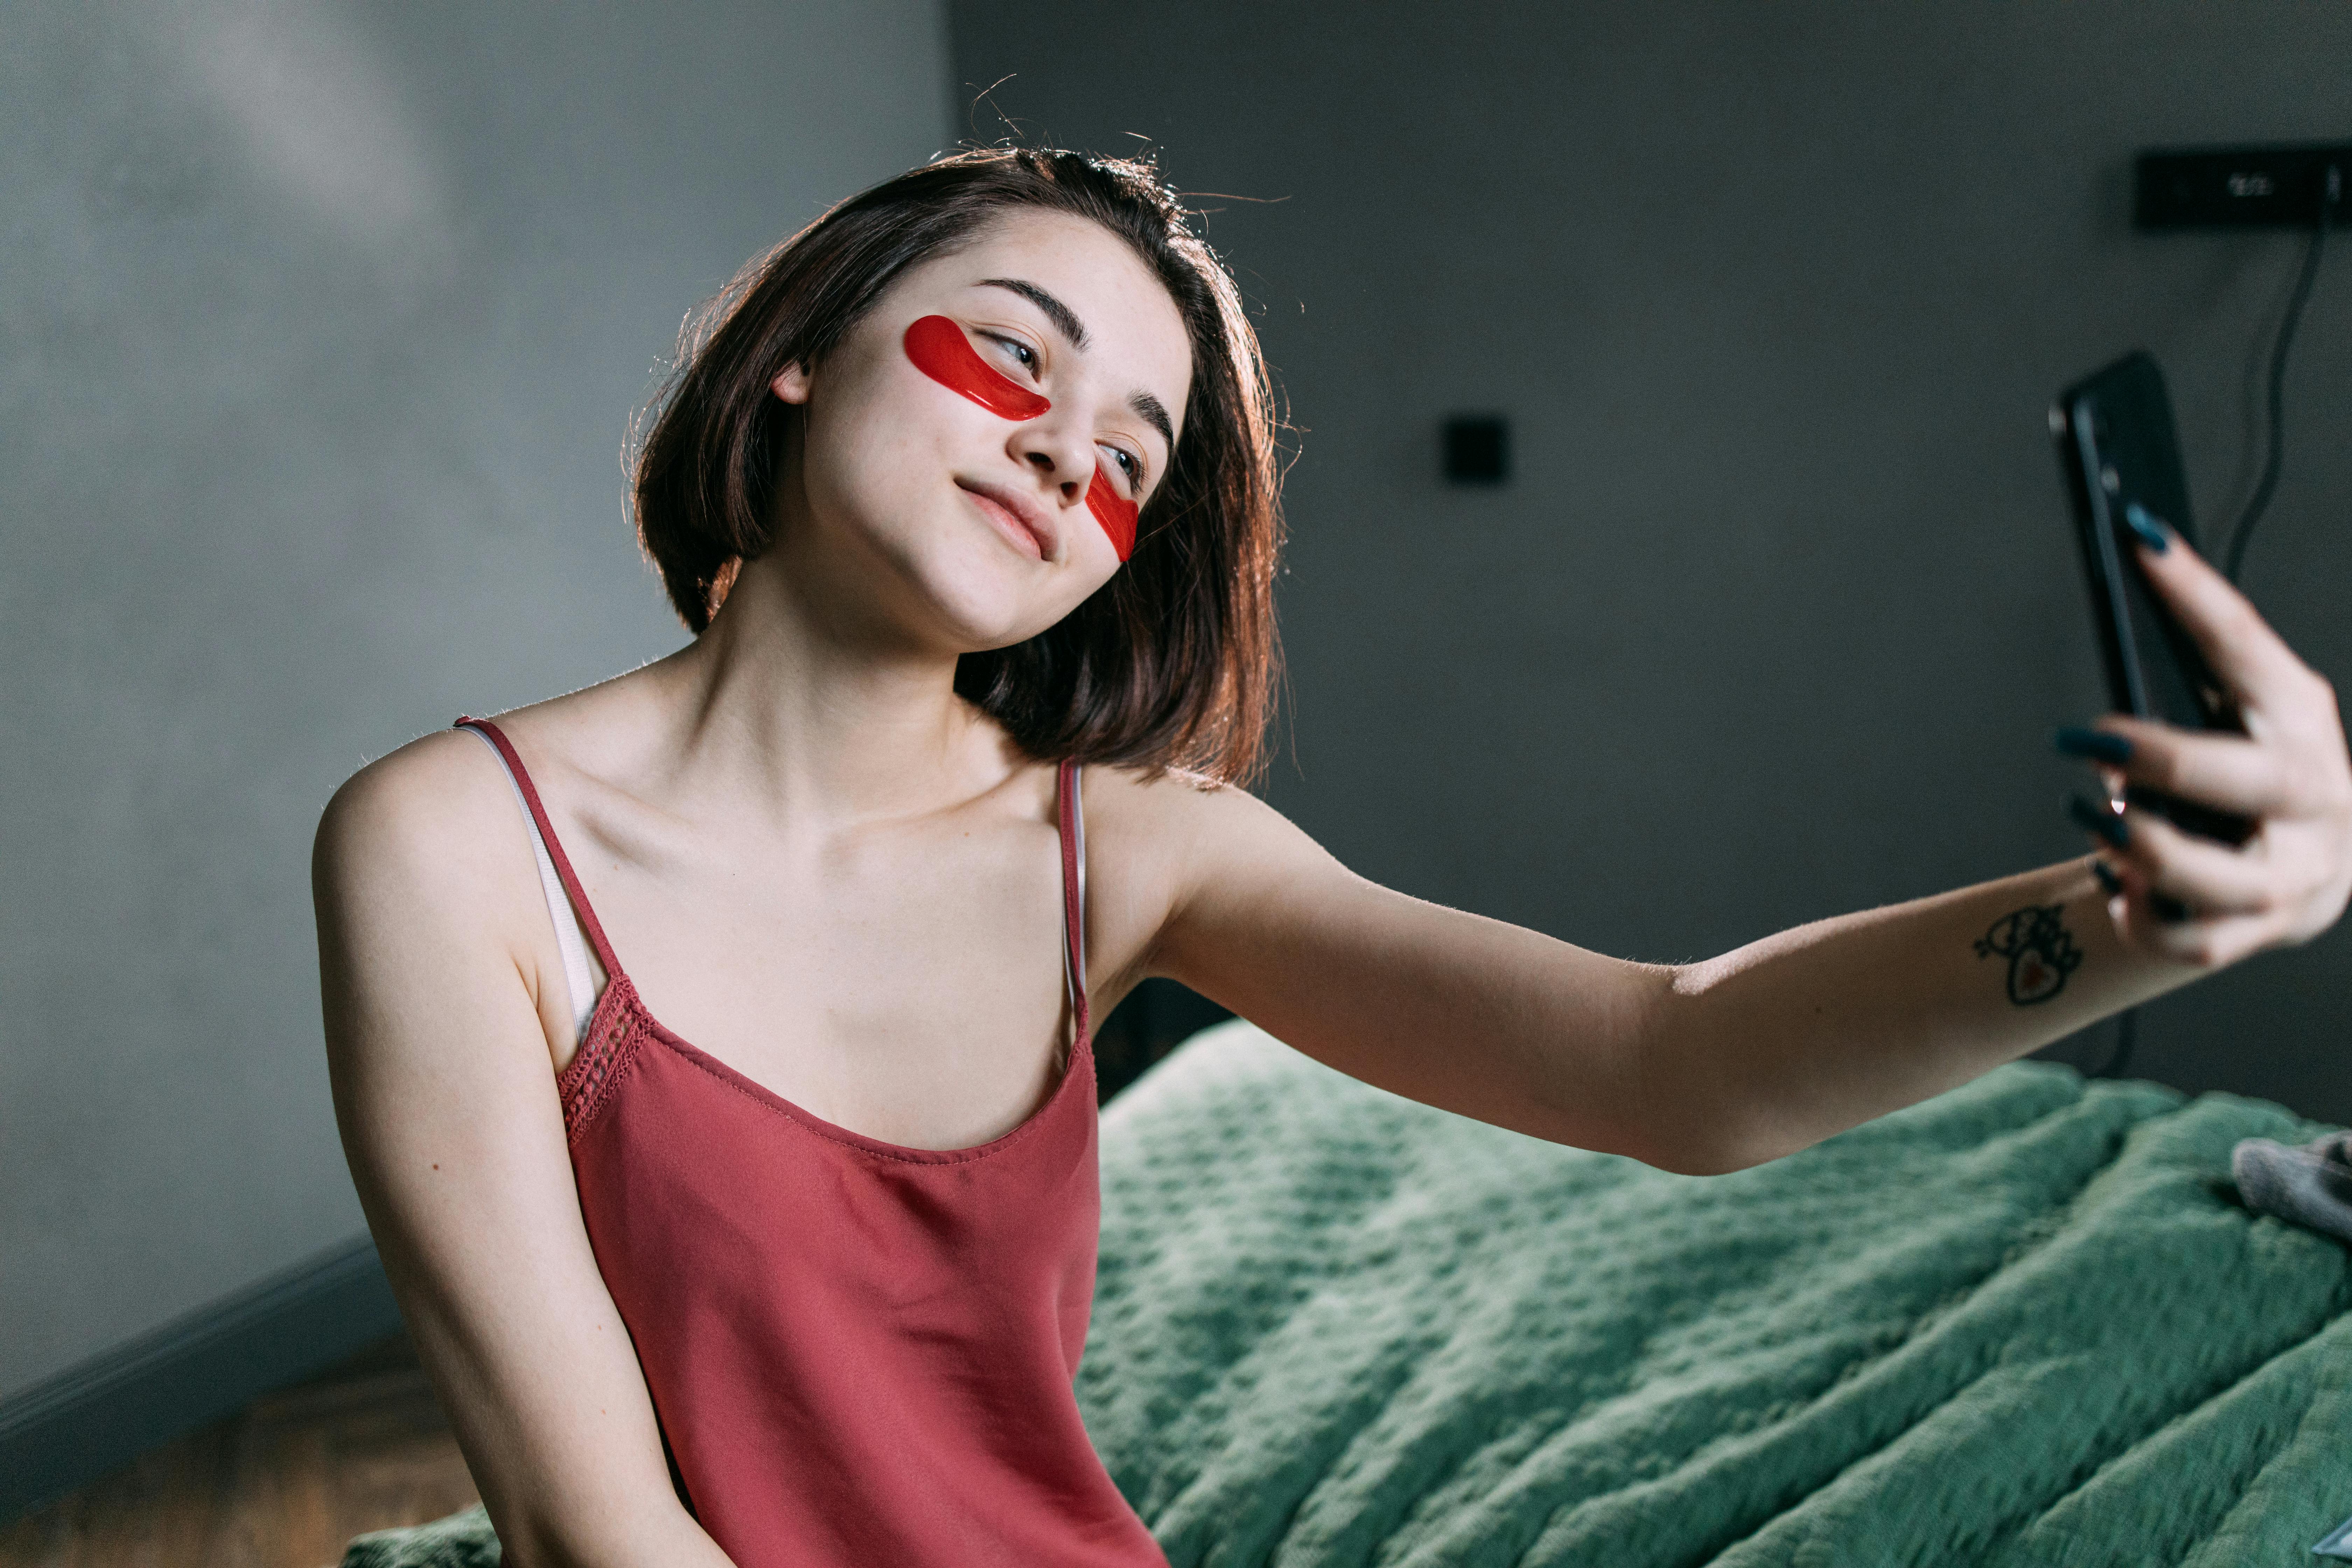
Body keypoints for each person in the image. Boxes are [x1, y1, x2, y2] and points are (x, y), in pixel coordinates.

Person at [310, 147, 2352, 1568]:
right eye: (1011, 357)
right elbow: (596, 1530)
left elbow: (1669, 1061)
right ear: (799, 350)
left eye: (1131, 455)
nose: (1063, 453)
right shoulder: (452, 851)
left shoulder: (1134, 853)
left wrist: (2121, 924)